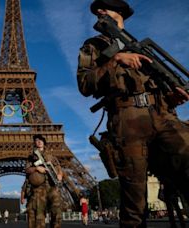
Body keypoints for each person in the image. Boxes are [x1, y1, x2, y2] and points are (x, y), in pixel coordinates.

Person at [77, 0, 189, 227]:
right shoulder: (94, 46)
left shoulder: (139, 45)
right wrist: (116, 60)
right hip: (126, 119)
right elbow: (85, 84)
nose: (98, 12)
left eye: (104, 8)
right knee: (134, 202)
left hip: (162, 114)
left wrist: (171, 96)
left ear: (119, 13)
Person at [25, 134, 63, 228]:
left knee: (57, 210)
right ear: (34, 143)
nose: (39, 141)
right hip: (39, 188)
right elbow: (27, 170)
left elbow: (58, 168)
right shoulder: (31, 157)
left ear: (44, 142)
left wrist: (60, 175)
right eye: (36, 140)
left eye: (41, 140)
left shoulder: (51, 156)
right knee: (39, 215)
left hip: (52, 186)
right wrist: (36, 168)